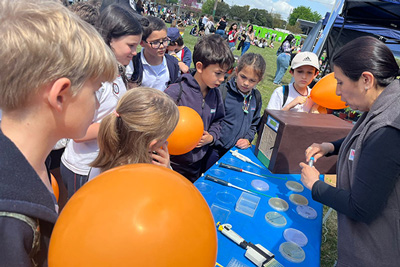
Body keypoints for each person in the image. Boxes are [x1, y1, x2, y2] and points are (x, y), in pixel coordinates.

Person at [0, 0, 117, 265]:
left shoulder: (30, 165)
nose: (98, 103)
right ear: (61, 96)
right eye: (96, 89)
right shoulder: (8, 220)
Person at [299, 36, 400, 267]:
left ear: (366, 79)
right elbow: (365, 140)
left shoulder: (389, 127)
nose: (337, 91)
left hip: (374, 254)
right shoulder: (384, 100)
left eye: (340, 82)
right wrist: (331, 147)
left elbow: (361, 207)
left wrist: (316, 185)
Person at [61, 4, 143, 198]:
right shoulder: (94, 79)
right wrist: (120, 123)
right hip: (82, 168)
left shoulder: (116, 72)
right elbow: (77, 133)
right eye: (130, 45)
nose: (134, 52)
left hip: (100, 164)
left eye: (137, 46)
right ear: (110, 40)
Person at [165, 34, 234, 182]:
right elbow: (158, 125)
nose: (222, 80)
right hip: (171, 164)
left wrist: (211, 137)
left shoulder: (215, 94)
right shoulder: (176, 92)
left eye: (225, 74)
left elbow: (218, 120)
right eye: (218, 73)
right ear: (200, 67)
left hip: (197, 164)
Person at [88, 87, 179, 180]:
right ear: (153, 143)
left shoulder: (107, 158)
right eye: (165, 138)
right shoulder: (145, 177)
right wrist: (167, 175)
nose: (166, 142)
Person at [209, 53, 266, 163]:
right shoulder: (222, 92)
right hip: (214, 151)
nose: (246, 83)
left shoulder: (256, 97)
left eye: (252, 80)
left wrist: (248, 139)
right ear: (236, 71)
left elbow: (254, 123)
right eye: (243, 77)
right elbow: (211, 120)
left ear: (259, 80)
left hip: (237, 152)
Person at [129, 16, 179, 91]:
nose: (162, 46)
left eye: (165, 40)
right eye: (155, 42)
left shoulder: (172, 64)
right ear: (142, 42)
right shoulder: (133, 64)